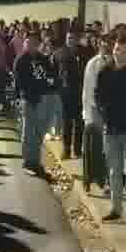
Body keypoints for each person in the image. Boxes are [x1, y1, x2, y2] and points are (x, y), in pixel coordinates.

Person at [95, 35, 126, 222]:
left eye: (123, 51)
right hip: (111, 130)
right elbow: (97, 96)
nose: (118, 54)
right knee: (114, 172)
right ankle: (116, 209)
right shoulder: (104, 72)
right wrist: (103, 114)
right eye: (116, 50)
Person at [14, 31, 52, 176]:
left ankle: (36, 161)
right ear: (24, 43)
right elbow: (18, 82)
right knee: (28, 131)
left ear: (38, 44)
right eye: (27, 42)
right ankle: (28, 162)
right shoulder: (21, 60)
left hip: (42, 99)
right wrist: (18, 99)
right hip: (28, 99)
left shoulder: (43, 59)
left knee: (38, 132)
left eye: (34, 43)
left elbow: (49, 77)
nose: (30, 45)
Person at [81, 39, 112, 193]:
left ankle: (104, 180)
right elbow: (87, 89)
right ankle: (88, 180)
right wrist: (86, 114)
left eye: (109, 45)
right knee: (93, 147)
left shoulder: (115, 62)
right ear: (99, 46)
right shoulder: (92, 64)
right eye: (104, 45)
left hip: (111, 111)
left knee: (107, 148)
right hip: (95, 110)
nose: (107, 47)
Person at [54, 30, 86, 159]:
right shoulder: (59, 53)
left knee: (79, 123)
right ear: (66, 39)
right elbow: (55, 72)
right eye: (69, 38)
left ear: (77, 40)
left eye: (73, 38)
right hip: (65, 93)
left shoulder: (83, 52)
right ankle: (66, 149)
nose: (71, 40)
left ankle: (77, 150)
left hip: (80, 92)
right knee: (67, 122)